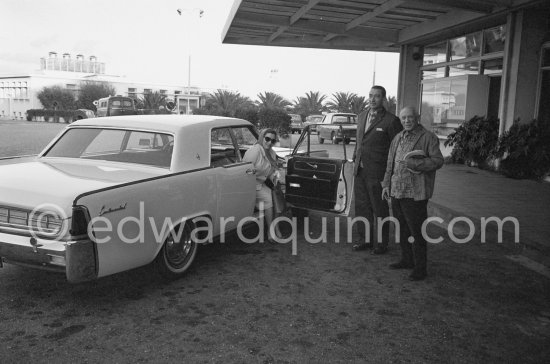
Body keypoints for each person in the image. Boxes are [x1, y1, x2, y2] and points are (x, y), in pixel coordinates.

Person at [382, 106, 444, 281]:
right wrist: (386, 184)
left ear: (417, 118)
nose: (407, 121)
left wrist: (416, 164)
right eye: (403, 118)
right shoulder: (397, 137)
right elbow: (390, 163)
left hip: (415, 193)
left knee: (417, 232)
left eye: (410, 117)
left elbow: (438, 161)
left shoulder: (428, 137)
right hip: (396, 191)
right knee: (402, 228)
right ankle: (406, 259)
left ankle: (420, 268)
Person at [352, 85, 403, 254]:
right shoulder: (361, 116)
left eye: (377, 96)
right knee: (362, 207)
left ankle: (381, 244)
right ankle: (364, 240)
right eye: (370, 95)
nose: (372, 99)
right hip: (360, 171)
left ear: (383, 99)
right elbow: (360, 142)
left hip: (378, 173)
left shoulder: (391, 120)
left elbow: (397, 149)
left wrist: (391, 175)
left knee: (379, 209)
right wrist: (355, 160)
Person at [243, 128, 284, 242]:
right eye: (267, 139)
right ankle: (270, 231)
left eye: (273, 141)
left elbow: (272, 170)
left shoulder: (271, 152)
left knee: (278, 196)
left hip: (264, 183)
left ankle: (276, 227)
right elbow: (245, 170)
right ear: (261, 138)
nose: (269, 142)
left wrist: (276, 179)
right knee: (269, 200)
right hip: (252, 184)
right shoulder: (255, 151)